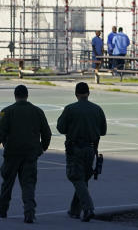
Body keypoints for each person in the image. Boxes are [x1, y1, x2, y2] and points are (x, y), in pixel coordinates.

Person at [0, 84, 52, 224]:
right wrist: (42, 148)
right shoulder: (37, 111)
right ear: (27, 96)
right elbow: (47, 133)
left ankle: (2, 208)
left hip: (12, 153)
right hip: (30, 153)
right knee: (28, 183)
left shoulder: (7, 112)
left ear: (15, 96)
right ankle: (29, 211)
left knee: (8, 182)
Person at [56, 81, 107, 222]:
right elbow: (103, 131)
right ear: (88, 93)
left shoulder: (70, 109)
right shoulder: (97, 109)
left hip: (75, 148)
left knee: (76, 177)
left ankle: (88, 208)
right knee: (83, 178)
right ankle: (74, 210)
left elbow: (60, 128)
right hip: (91, 148)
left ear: (76, 94)